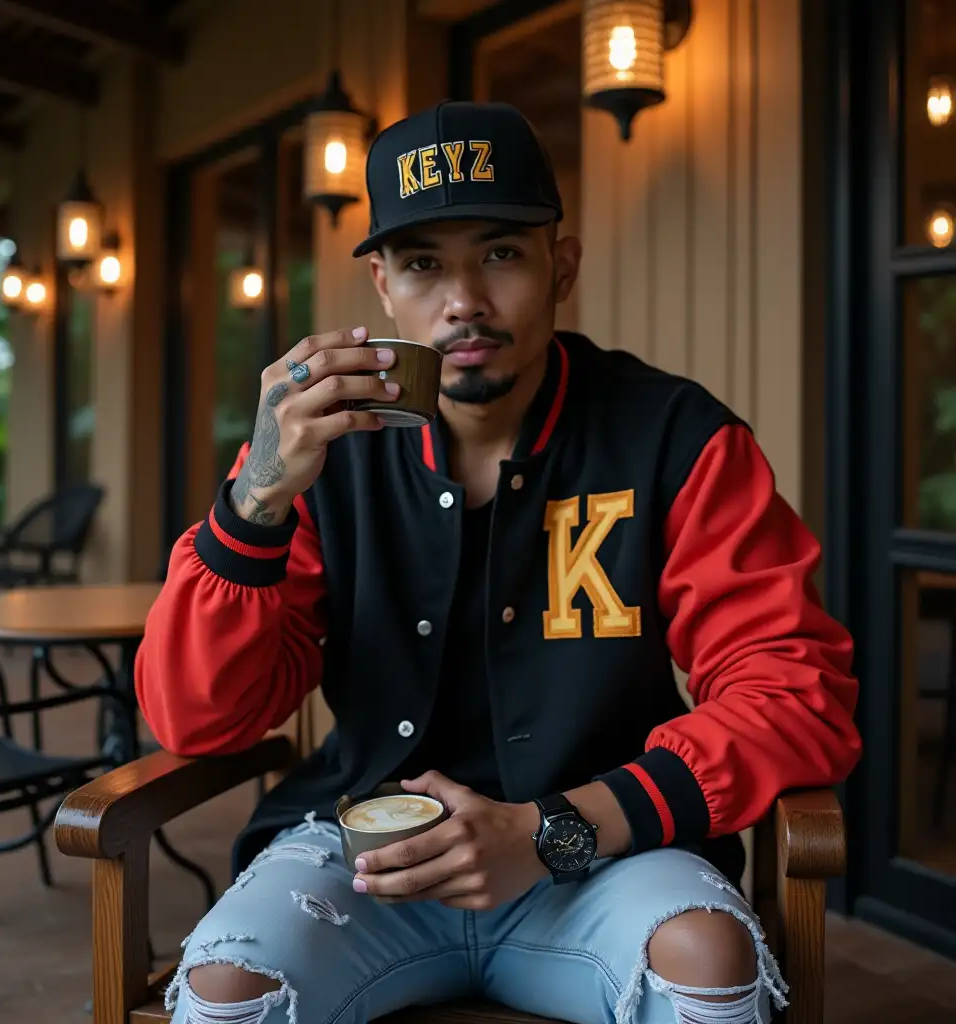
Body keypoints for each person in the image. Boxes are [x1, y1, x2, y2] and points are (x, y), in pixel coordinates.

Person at [136, 101, 861, 1024]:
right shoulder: (318, 451)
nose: (464, 300)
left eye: (502, 253)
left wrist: (554, 829)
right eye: (424, 263)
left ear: (562, 265)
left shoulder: (674, 436)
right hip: (367, 852)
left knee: (707, 965)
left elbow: (792, 688)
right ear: (382, 285)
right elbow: (198, 718)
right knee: (224, 994)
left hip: (607, 851)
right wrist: (257, 504)